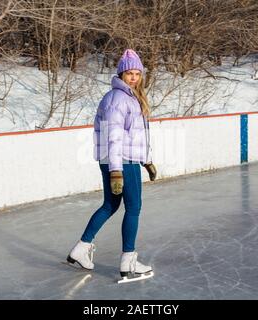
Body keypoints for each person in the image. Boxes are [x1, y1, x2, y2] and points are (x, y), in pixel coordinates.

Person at [67, 49, 157, 283]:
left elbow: (134, 136)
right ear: (121, 73)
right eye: (130, 73)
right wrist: (116, 170)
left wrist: (146, 160)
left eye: (137, 73)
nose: (134, 77)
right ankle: (128, 262)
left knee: (110, 205)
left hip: (118, 159)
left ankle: (80, 248)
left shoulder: (129, 97)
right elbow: (114, 137)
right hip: (120, 161)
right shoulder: (118, 99)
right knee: (134, 207)